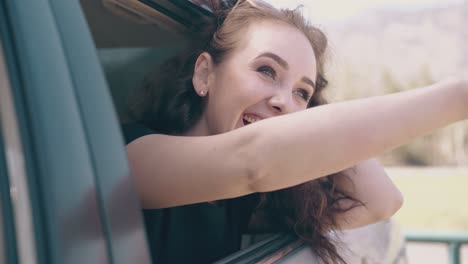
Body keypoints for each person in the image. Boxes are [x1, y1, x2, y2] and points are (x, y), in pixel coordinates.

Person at [122, 0, 468, 263]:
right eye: (266, 70)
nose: (283, 103)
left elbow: (382, 200)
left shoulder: (240, 201)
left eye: (302, 92)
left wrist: (308, 114)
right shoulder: (132, 155)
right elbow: (253, 160)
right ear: (204, 74)